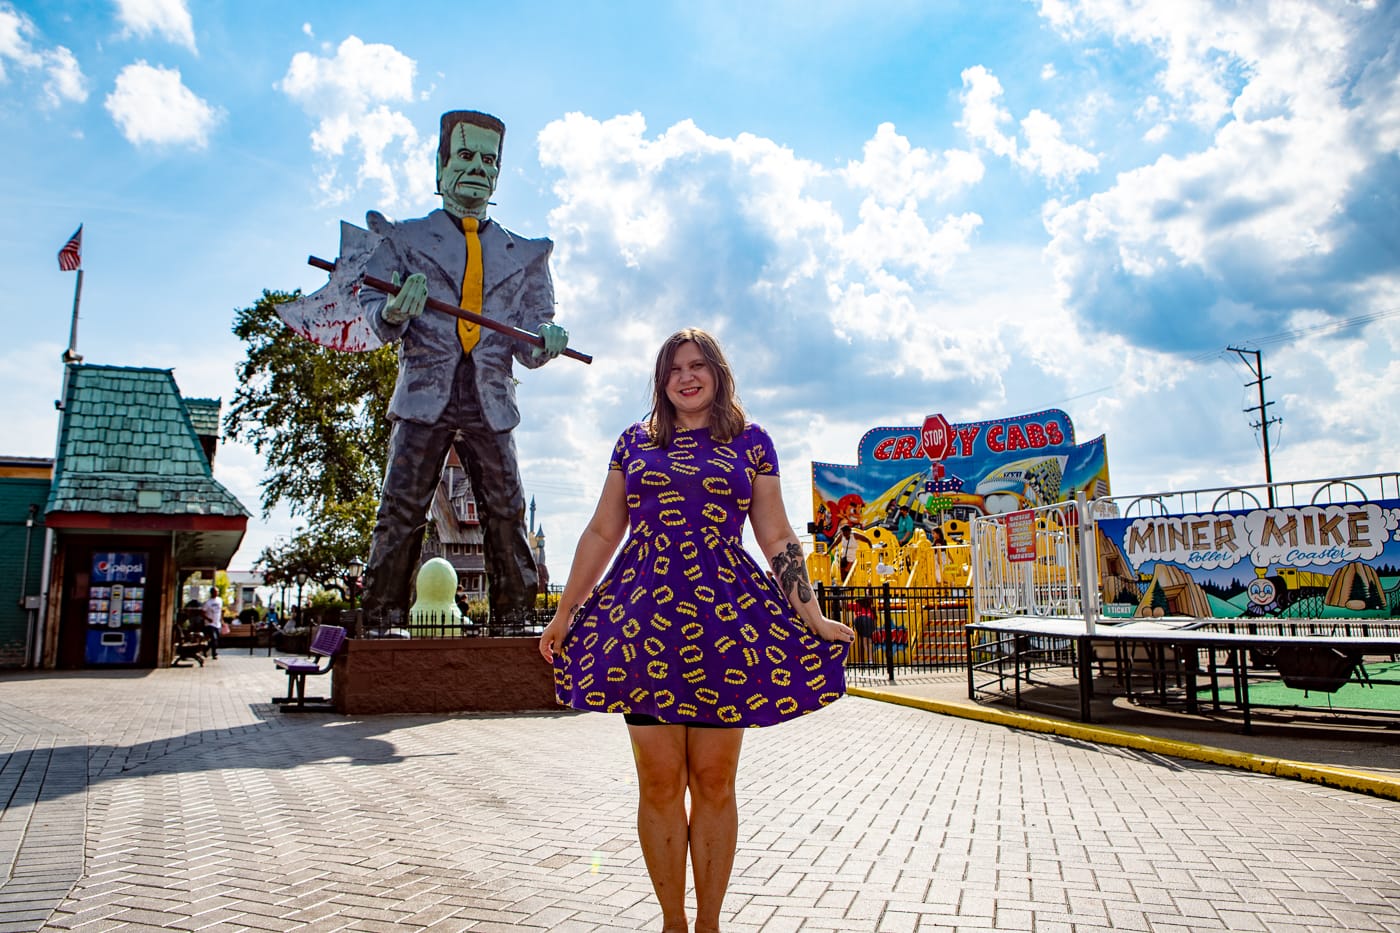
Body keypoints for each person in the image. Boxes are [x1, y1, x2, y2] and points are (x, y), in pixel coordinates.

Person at [538, 328, 853, 933]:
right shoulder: (634, 443)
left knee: (713, 779)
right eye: (675, 368)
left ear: (717, 373)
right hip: (643, 621)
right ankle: (673, 923)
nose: (687, 376)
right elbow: (604, 532)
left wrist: (810, 614)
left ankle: (708, 924)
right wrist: (566, 610)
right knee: (659, 779)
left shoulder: (751, 443)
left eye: (698, 365)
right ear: (662, 380)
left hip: (724, 627)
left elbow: (777, 536)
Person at [358, 109, 569, 626]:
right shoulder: (401, 239)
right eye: (466, 155)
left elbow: (532, 337)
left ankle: (515, 618)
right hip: (424, 393)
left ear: (498, 173)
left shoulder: (528, 254)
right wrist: (392, 311)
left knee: (506, 510)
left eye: (489, 160)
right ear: (441, 165)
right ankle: (383, 617)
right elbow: (371, 304)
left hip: (491, 400)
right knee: (402, 509)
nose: (477, 168)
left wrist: (546, 343)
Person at [200, 587, 223, 659]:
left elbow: (220, 611)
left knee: (216, 639)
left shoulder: (220, 600)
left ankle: (205, 649)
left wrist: (222, 620)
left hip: (217, 623)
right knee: (214, 638)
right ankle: (214, 654)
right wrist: (208, 619)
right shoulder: (208, 602)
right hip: (210, 624)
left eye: (217, 592)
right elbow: (202, 613)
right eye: (215, 592)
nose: (216, 593)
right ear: (212, 593)